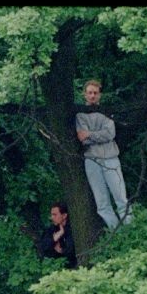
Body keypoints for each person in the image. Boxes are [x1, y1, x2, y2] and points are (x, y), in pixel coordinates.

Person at [76, 79, 131, 230]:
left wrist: (90, 134)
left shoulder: (106, 111)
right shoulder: (80, 114)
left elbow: (110, 134)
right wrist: (96, 135)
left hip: (111, 158)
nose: (92, 96)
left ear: (99, 95)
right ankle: (117, 234)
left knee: (120, 198)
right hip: (92, 160)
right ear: (85, 95)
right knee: (102, 204)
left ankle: (131, 230)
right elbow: (82, 139)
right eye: (89, 93)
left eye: (95, 93)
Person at [37, 202, 76, 267]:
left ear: (64, 216)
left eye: (55, 215)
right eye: (51, 215)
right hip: (55, 266)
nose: (52, 217)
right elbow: (42, 247)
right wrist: (54, 239)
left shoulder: (71, 229)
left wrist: (61, 251)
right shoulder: (52, 228)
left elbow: (71, 251)